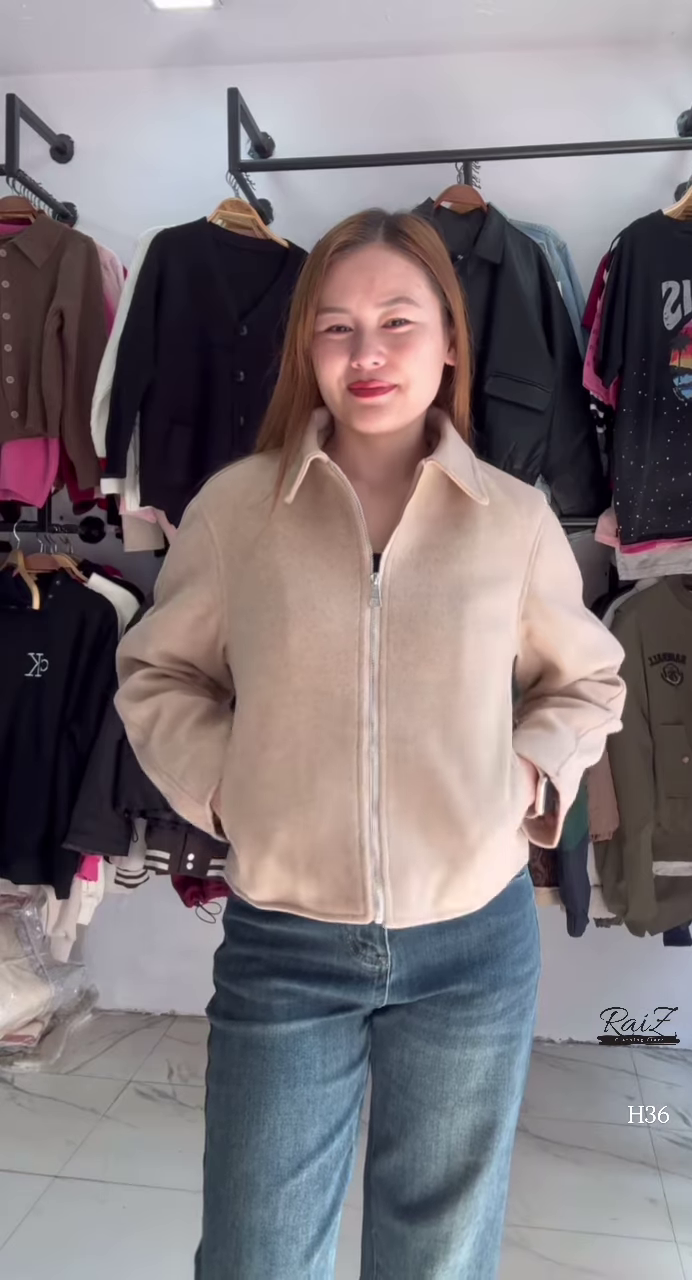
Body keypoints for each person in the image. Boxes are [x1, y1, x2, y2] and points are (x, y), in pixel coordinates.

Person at [115, 209, 626, 1280]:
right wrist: (234, 792)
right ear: (307, 349)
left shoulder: (513, 519)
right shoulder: (237, 510)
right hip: (285, 940)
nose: (368, 353)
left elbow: (586, 679)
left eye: (399, 321)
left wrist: (525, 774)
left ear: (450, 343)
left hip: (473, 944)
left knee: (437, 1254)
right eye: (336, 328)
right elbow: (158, 673)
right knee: (255, 1254)